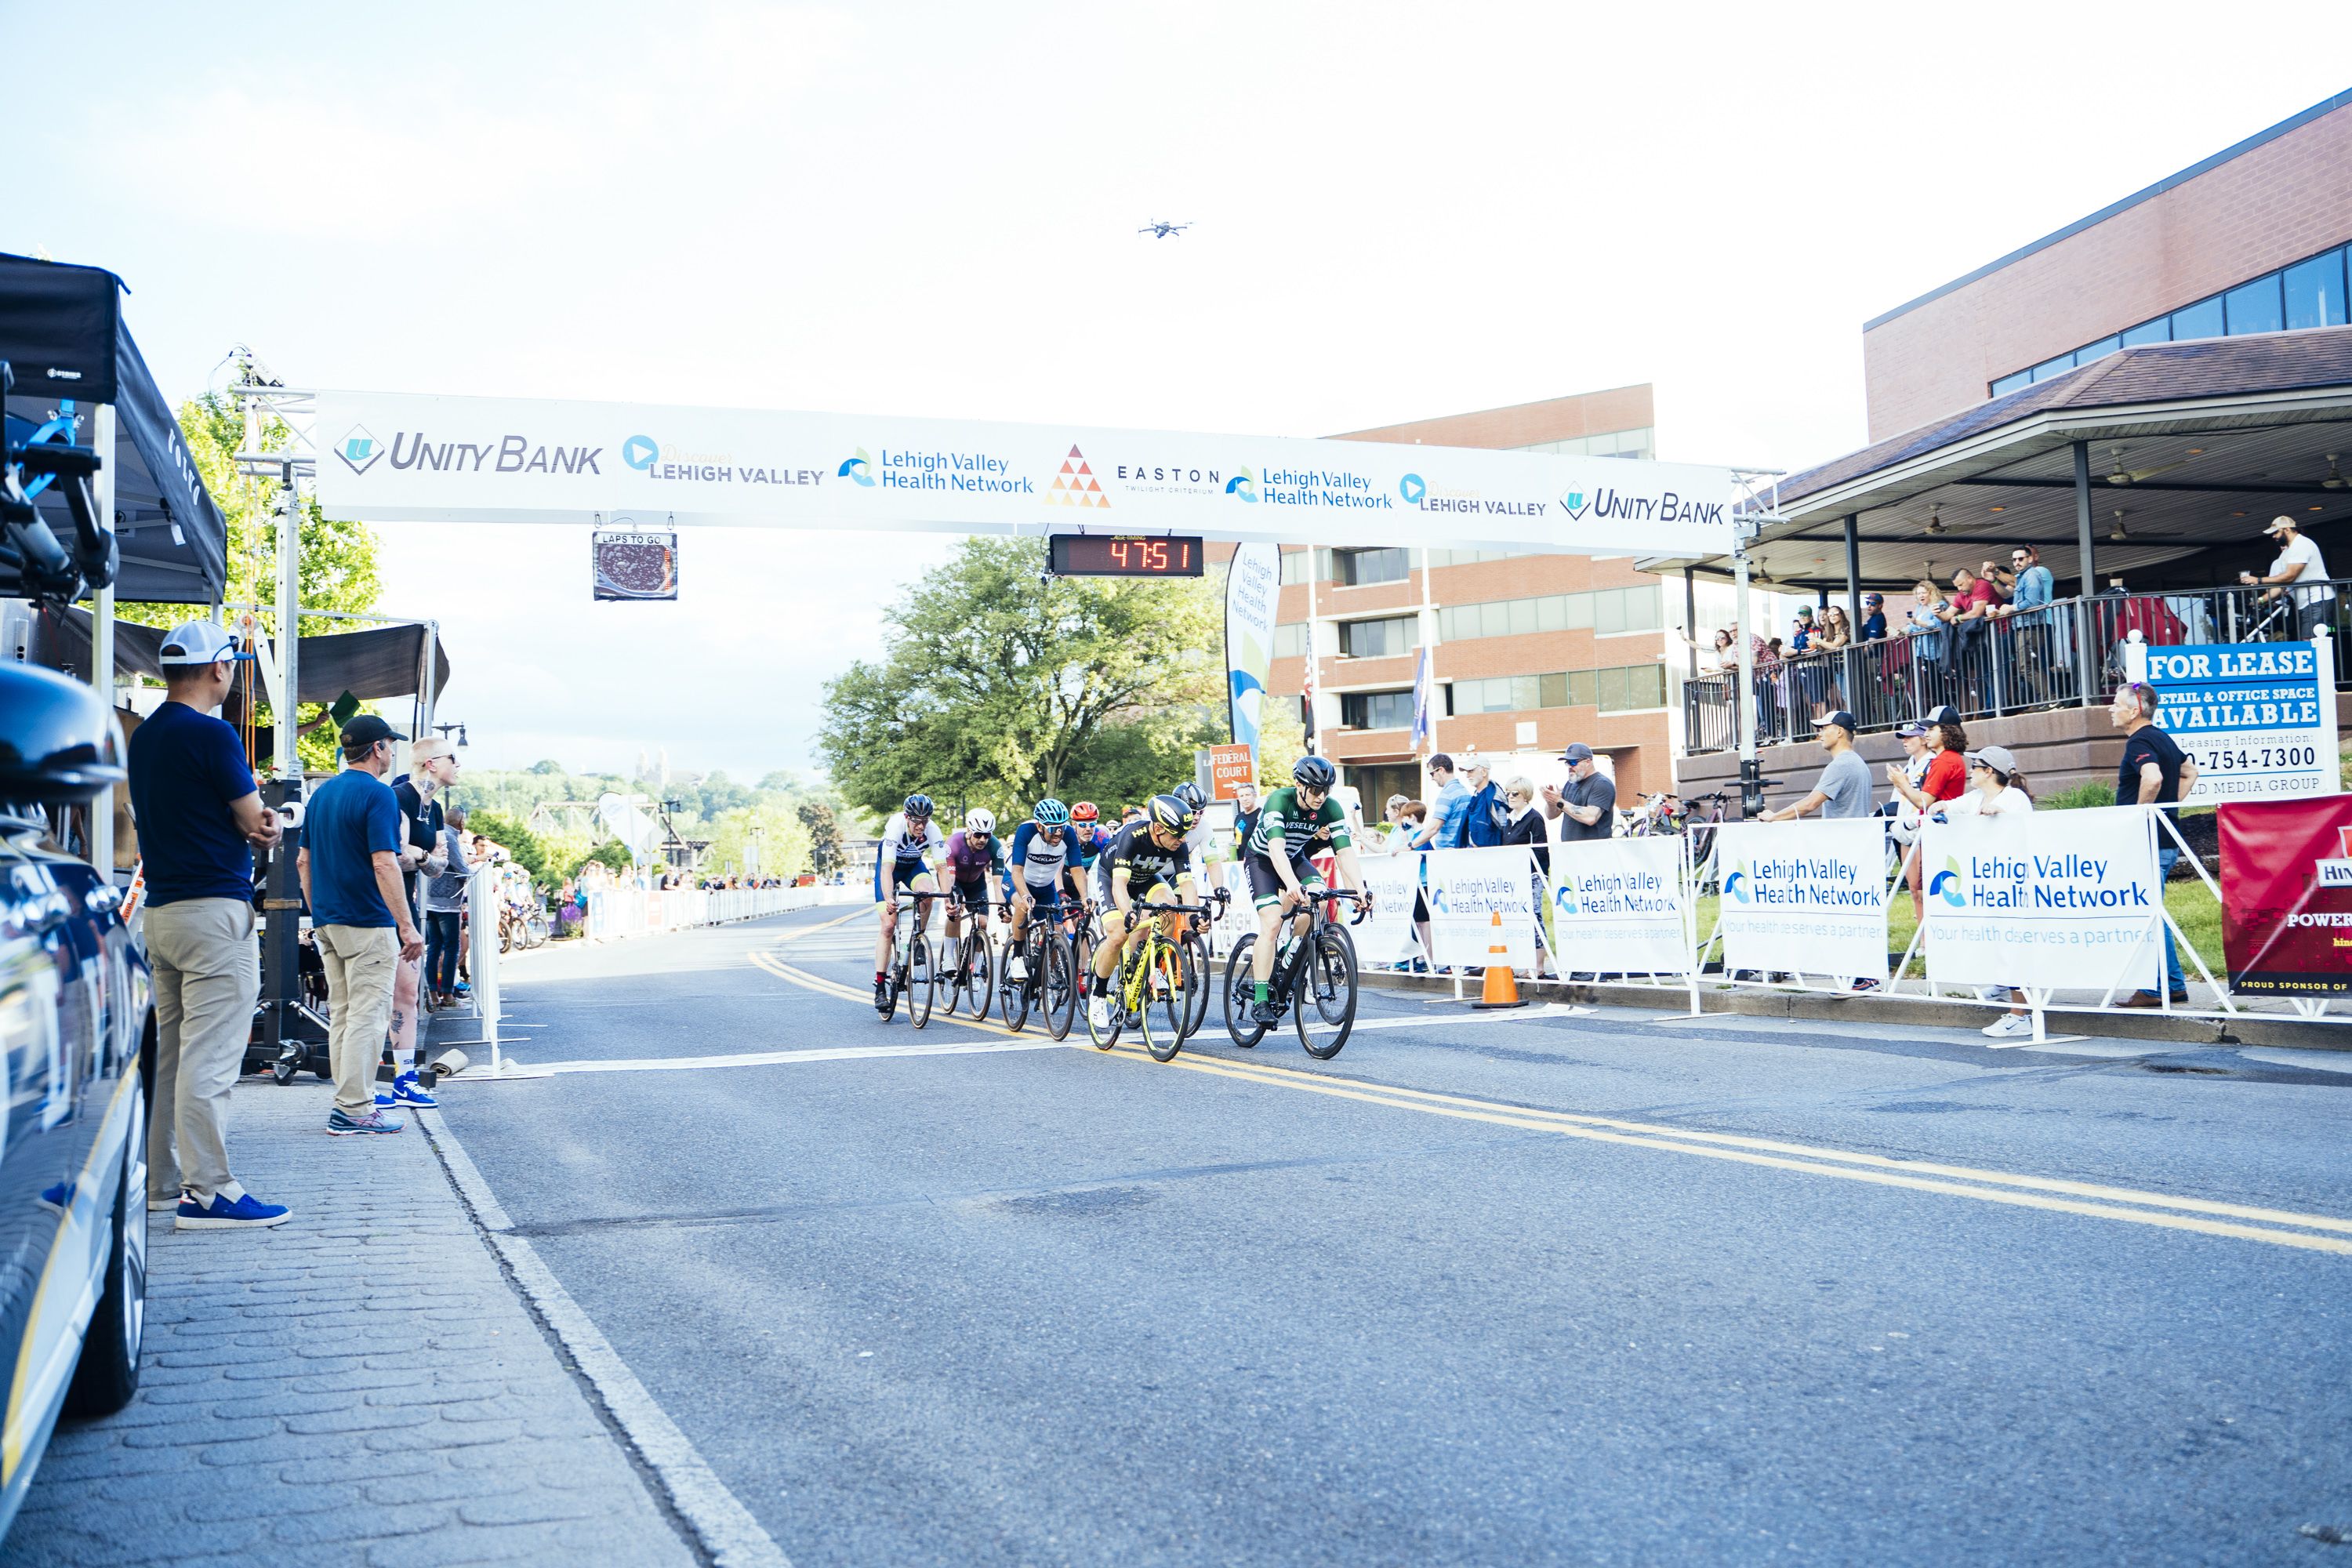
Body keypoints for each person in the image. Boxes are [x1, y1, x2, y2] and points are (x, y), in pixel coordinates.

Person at [128, 622, 290, 1227]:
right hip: (214, 916)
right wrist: (266, 826)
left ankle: (163, 1184)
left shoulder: (144, 737)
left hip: (162, 912)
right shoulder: (214, 734)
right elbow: (255, 820)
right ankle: (210, 1190)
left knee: (172, 1053)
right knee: (211, 1058)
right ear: (219, 669)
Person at [299, 715, 425, 1135]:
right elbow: (385, 862)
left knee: (344, 1014)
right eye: (391, 745)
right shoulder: (380, 795)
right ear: (377, 749)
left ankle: (347, 1102)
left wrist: (320, 913)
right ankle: (354, 1108)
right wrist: (406, 927)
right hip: (368, 922)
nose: (392, 752)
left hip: (329, 922)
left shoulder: (321, 795)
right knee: (369, 1017)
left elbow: (303, 861)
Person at [1240, 757, 1371, 1021]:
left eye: (1326, 790)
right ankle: (1262, 999)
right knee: (1273, 921)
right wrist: (1290, 885)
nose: (1321, 796)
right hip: (1262, 860)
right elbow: (1276, 850)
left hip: (1295, 858)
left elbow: (1344, 853)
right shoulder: (1280, 800)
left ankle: (1290, 956)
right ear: (1299, 785)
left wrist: (1359, 889)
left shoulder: (1331, 809)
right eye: (1315, 790)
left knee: (1320, 901)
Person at [1930, 746, 2041, 1037]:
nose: (1971, 770)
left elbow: (2020, 825)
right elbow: (1951, 806)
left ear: (1989, 771)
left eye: (1976, 766)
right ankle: (2003, 985)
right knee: (1999, 941)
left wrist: (2000, 812)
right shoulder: (1976, 797)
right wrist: (1938, 807)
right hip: (1989, 886)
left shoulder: (2014, 798)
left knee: (2016, 947)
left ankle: (2020, 1016)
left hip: (2015, 885)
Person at [2112, 681, 2198, 1007]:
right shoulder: (2161, 737)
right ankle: (2172, 984)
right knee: (2152, 911)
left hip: (2146, 841)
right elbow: (2191, 771)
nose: (2111, 710)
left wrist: (2140, 818)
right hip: (2162, 839)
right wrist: (2165, 808)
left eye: (2116, 705)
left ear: (2134, 711)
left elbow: (2153, 778)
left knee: (2148, 913)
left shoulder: (2139, 741)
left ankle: (2156, 987)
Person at [383, 738, 458, 1109]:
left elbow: (439, 864)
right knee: (390, 996)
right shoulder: (400, 797)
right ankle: (382, 1081)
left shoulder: (438, 809)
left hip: (409, 905)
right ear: (430, 763)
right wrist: (422, 856)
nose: (458, 766)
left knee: (409, 994)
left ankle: (405, 1078)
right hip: (386, 905)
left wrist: (421, 854)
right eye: (453, 759)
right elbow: (395, 854)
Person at [1088, 793, 1203, 1031]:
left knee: (1169, 907)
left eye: (1184, 835)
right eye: (1177, 835)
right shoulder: (1133, 836)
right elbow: (1119, 885)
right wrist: (1128, 912)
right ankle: (1098, 996)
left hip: (1145, 878)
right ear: (1159, 828)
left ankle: (1150, 966)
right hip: (1111, 878)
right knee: (1118, 934)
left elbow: (1187, 883)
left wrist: (1194, 917)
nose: (1182, 841)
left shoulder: (1177, 842)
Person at [1886, 708, 1968, 917]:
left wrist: (1902, 783)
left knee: (1931, 893)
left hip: (1937, 833)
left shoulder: (1944, 760)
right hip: (1939, 831)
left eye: (1932, 728)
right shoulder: (1950, 758)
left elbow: (1923, 801)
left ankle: (1932, 941)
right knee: (1929, 892)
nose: (1927, 733)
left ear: (1947, 731)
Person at [873, 793, 946, 1010]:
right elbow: (887, 868)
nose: (921, 826)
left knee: (928, 893)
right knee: (888, 925)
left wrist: (950, 898)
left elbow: (941, 868)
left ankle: (916, 941)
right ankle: (879, 987)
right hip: (890, 868)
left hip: (913, 867)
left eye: (925, 820)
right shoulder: (895, 826)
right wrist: (888, 897)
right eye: (916, 821)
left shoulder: (933, 830)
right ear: (907, 817)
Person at [1007, 798, 1088, 979]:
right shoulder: (1026, 831)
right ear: (1039, 826)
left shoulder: (1068, 835)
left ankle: (1044, 977)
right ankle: (1017, 957)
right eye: (1052, 828)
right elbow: (1017, 871)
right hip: (1018, 881)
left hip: (1045, 886)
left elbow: (1077, 869)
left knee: (1057, 931)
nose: (1058, 832)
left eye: (1062, 827)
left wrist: (1085, 897)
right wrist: (1026, 894)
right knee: (1022, 903)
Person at [1756, 711, 1871, 822]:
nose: (1820, 734)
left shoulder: (1840, 765)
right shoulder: (1859, 763)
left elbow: (1810, 804)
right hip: (1856, 837)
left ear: (1839, 732)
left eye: (1825, 729)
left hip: (1839, 838)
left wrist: (1774, 817)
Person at [940, 807, 1012, 976]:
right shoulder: (954, 844)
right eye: (978, 834)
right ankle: (948, 958)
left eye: (987, 835)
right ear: (969, 830)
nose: (982, 839)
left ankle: (975, 965)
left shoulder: (995, 847)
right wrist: (949, 901)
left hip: (976, 883)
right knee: (956, 910)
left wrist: (1002, 907)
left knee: (983, 923)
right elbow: (949, 878)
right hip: (955, 880)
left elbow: (998, 881)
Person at [2242, 514, 2336, 641]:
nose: (2273, 536)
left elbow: (2289, 576)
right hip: (2307, 603)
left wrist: (2258, 580)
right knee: (2308, 641)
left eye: (2276, 532)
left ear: (2287, 529)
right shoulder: (2287, 553)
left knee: (2311, 641)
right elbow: (2280, 586)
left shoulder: (2302, 544)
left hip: (2318, 599)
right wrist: (2258, 602)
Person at [1497, 777, 1552, 979]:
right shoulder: (1510, 819)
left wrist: (1529, 869)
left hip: (1532, 875)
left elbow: (1541, 850)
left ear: (1525, 796)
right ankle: (1527, 962)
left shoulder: (1534, 818)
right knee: (1519, 919)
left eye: (1515, 794)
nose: (1510, 797)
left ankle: (1538, 966)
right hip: (1514, 877)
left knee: (1535, 917)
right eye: (1508, 793)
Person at [423, 804, 473, 1007]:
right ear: (461, 823)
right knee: (452, 947)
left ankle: (433, 993)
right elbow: (460, 868)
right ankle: (447, 995)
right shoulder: (450, 838)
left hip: (429, 901)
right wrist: (474, 874)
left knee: (434, 946)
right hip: (446, 902)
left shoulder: (435, 834)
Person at [1542, 742, 1615, 840]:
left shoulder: (1601, 784)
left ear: (1588, 762)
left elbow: (1591, 817)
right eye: (1567, 763)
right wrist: (1551, 802)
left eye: (1573, 762)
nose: (1569, 767)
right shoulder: (1570, 783)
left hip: (1595, 851)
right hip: (1571, 850)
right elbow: (1551, 816)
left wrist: (1559, 802)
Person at [1412, 753, 1472, 851]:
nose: (1432, 778)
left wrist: (1410, 846)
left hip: (1447, 853)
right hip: (1461, 850)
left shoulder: (1447, 794)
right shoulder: (1464, 792)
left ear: (1441, 770)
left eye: (1432, 774)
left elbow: (1434, 828)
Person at [1460, 758, 1504, 848]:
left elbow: (1503, 830)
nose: (1467, 776)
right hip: (1473, 853)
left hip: (1489, 855)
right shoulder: (1475, 797)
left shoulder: (1495, 798)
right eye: (1466, 772)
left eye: (1471, 771)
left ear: (1484, 772)